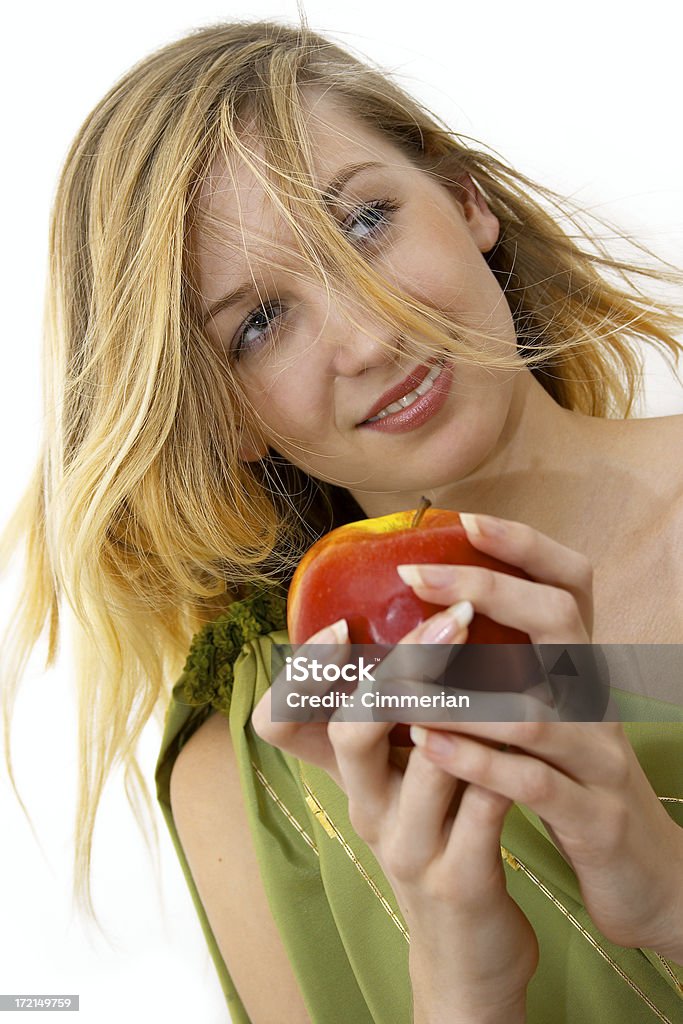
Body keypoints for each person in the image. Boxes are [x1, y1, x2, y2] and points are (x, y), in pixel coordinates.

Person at [3, 16, 683, 1024]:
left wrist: (666, 897)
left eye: (364, 221)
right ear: (225, 417)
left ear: (465, 199)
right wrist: (463, 984)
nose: (369, 335)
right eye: (259, 323)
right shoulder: (266, 750)